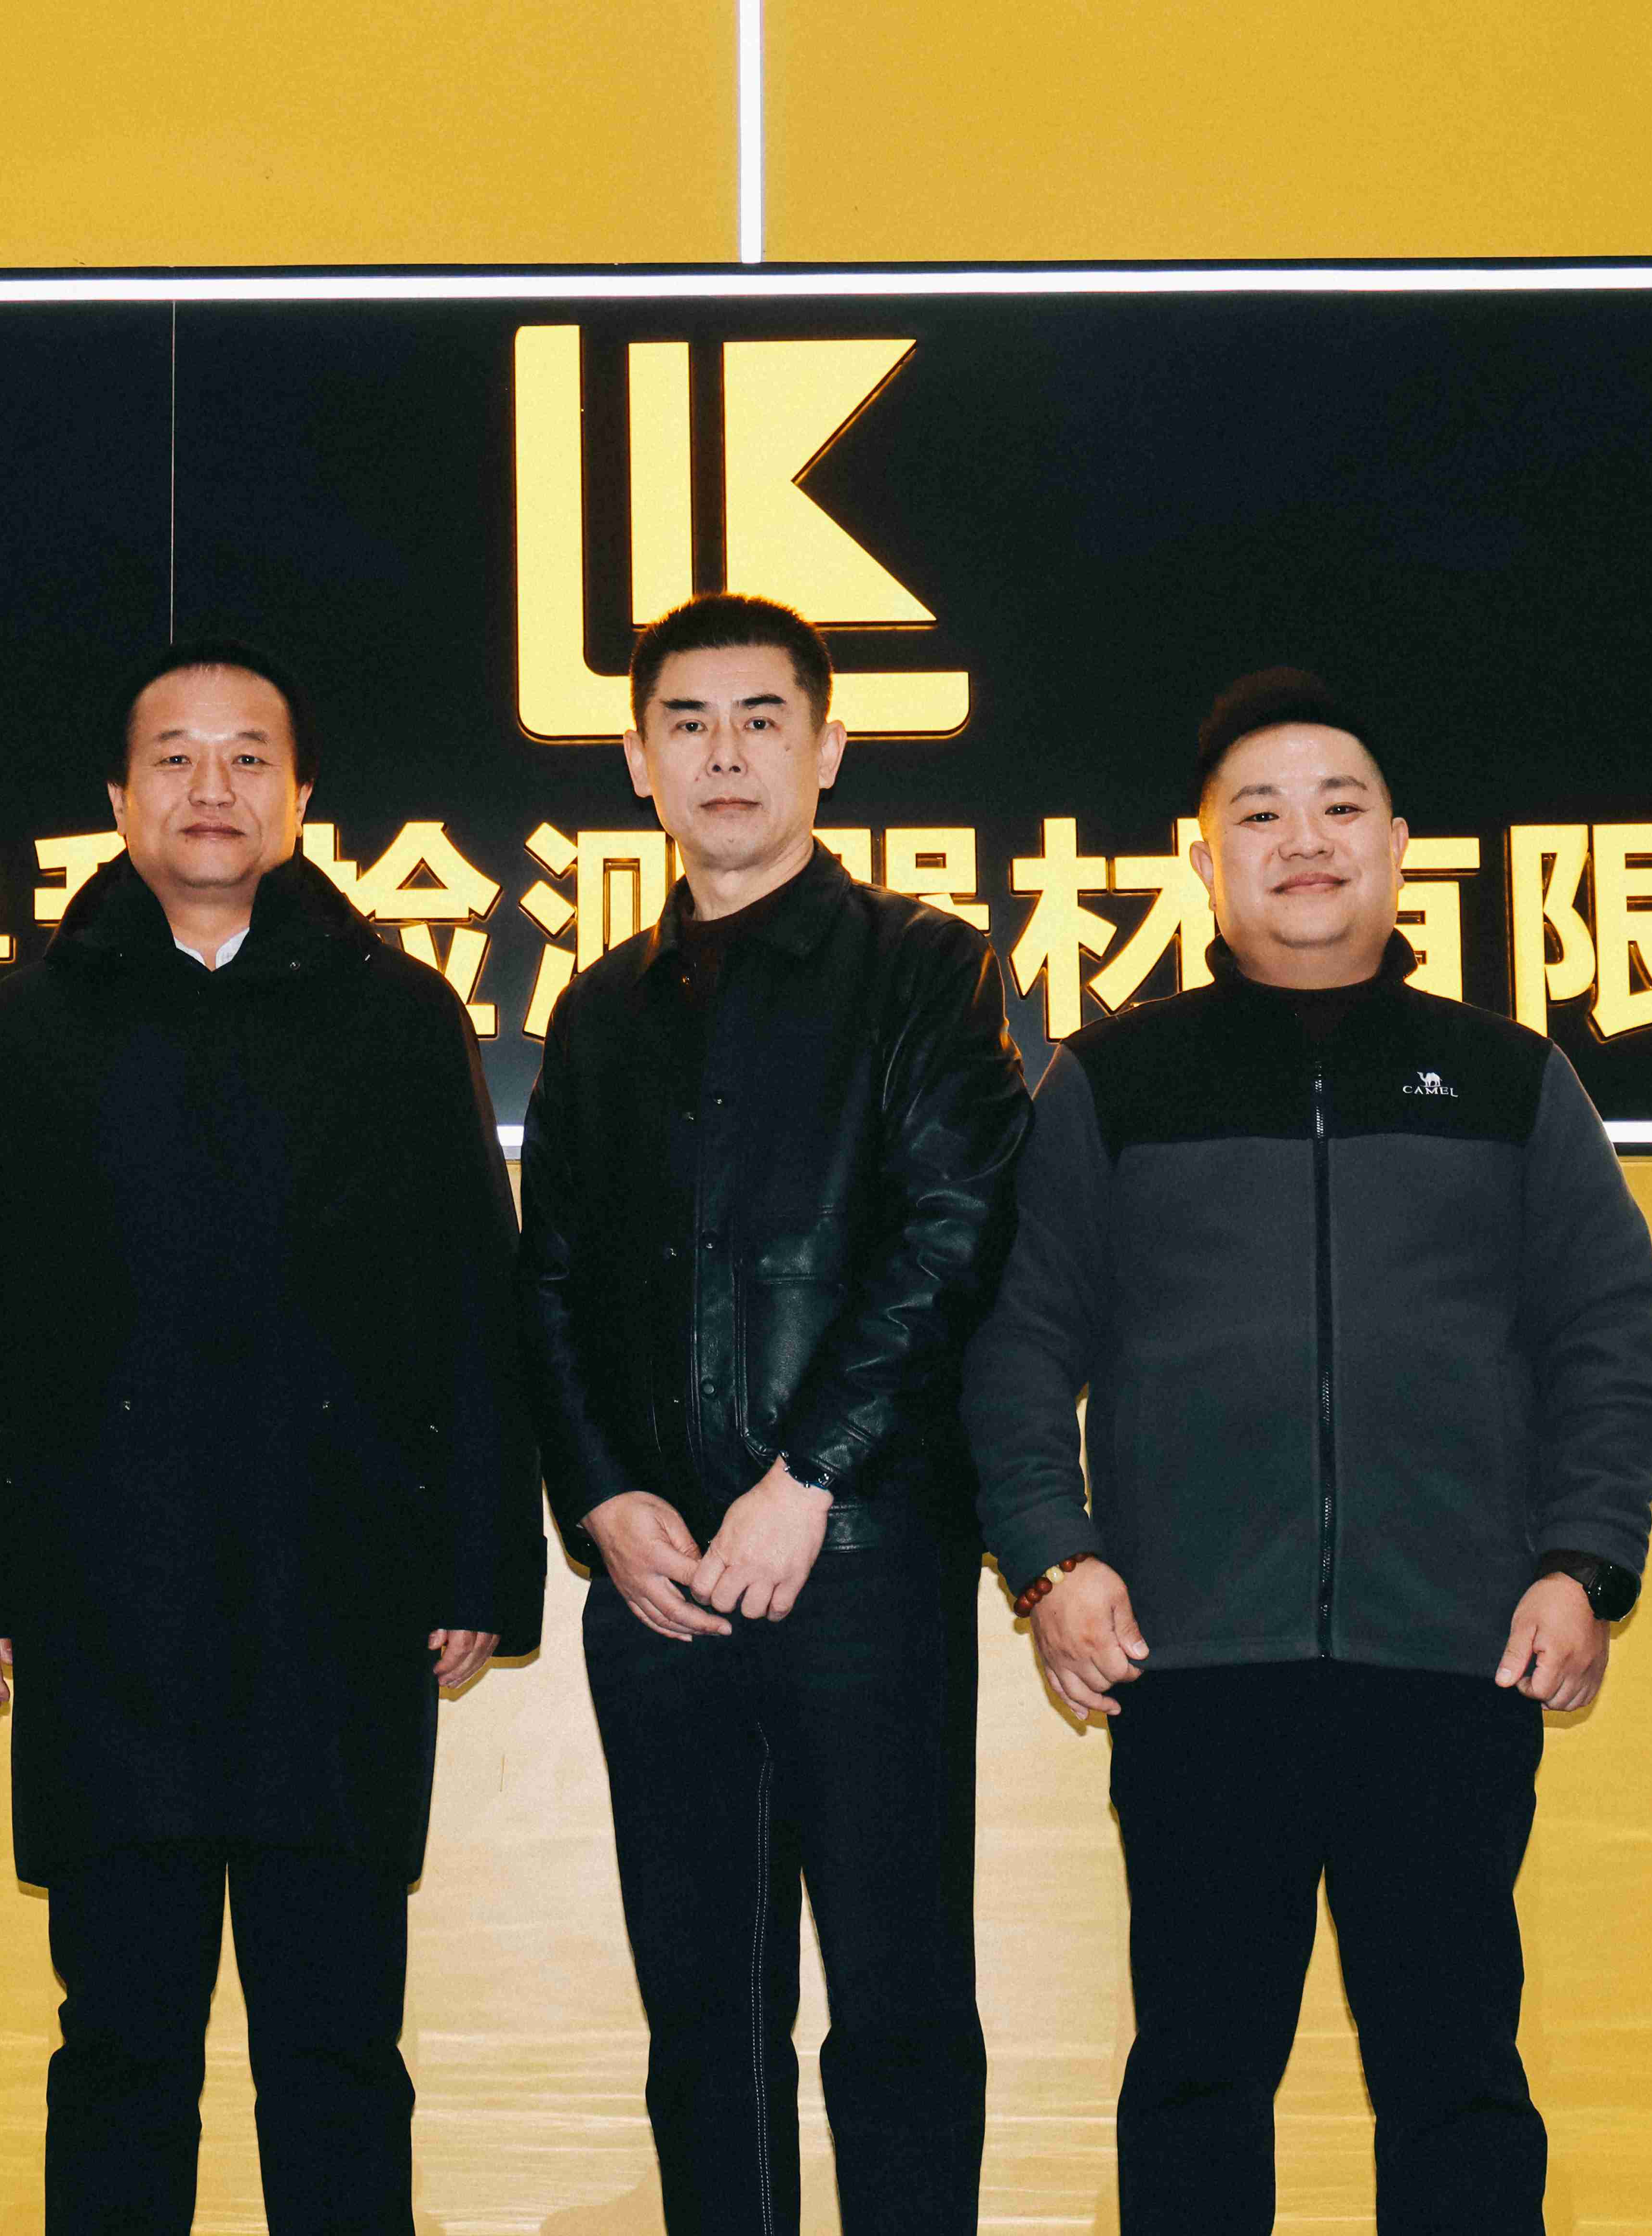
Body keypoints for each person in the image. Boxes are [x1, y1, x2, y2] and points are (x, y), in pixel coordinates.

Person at [963, 667, 1652, 2233]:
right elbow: (1018, 1340)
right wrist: (1053, 1562)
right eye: (1262, 814)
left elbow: (1606, 1335)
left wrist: (1583, 1566)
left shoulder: (1509, 1079)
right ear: (1203, 858)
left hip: (1454, 1659)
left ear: (1399, 847)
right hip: (1197, 1663)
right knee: (1199, 2077)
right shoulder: (1117, 1080)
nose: (1305, 841)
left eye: (1341, 808)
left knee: (1456, 2078)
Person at [0, 639, 545, 2236]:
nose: (212, 787)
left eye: (250, 756)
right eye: (175, 757)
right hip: (104, 1603)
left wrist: (479, 1560)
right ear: (120, 801)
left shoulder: (402, 1018)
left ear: (300, 799)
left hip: (343, 1602)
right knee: (120, 2049)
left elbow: (478, 1298)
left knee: (339, 2049)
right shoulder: (28, 1023)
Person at [518, 592, 1029, 2236]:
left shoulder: (927, 968)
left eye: (760, 719)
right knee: (705, 2030)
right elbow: (548, 1281)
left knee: (898, 2008)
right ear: (638, 760)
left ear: (828, 747)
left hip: (863, 1567)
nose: (724, 754)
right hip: (658, 1590)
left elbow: (954, 1235)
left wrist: (811, 1475)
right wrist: (604, 1500)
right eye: (688, 722)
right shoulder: (599, 1013)